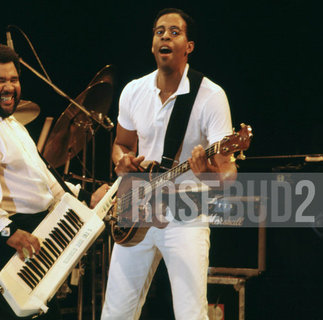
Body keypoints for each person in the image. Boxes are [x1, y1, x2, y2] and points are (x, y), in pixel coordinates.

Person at [0, 43, 108, 320]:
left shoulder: (11, 124)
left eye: (14, 79)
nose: (9, 87)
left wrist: (85, 197)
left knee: (40, 315)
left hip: (27, 232)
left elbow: (42, 178)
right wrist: (9, 231)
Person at [101, 8, 237, 320]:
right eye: (159, 31)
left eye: (175, 32)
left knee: (190, 313)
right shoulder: (134, 91)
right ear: (152, 44)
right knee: (116, 312)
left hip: (186, 213)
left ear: (189, 46)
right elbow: (121, 144)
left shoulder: (210, 95)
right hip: (137, 210)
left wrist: (210, 173)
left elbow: (228, 171)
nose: (165, 36)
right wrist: (122, 160)